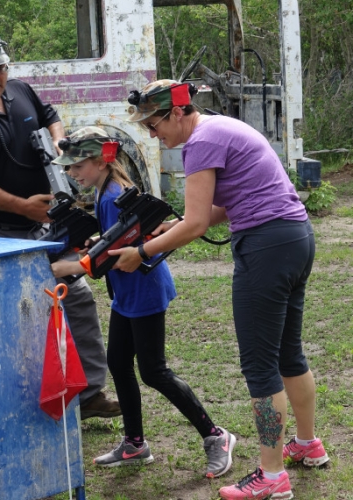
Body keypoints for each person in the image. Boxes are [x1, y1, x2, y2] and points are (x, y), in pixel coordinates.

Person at [114, 79, 328, 499]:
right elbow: (225, 205)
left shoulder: (201, 141)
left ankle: (271, 476)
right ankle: (306, 444)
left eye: (153, 124)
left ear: (177, 112)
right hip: (294, 238)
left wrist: (141, 252)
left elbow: (196, 225)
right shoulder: (222, 127)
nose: (152, 134)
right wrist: (172, 227)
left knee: (260, 365)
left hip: (266, 249)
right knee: (288, 353)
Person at [0, 31, 120, 419]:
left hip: (47, 226)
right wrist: (25, 208)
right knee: (15, 317)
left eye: (0, 68)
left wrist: (58, 142)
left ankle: (89, 395)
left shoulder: (20, 90)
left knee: (79, 300)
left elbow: (50, 116)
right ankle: (20, 403)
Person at [49, 126, 235, 476]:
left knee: (153, 371)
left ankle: (216, 436)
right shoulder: (107, 192)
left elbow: (111, 257)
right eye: (70, 168)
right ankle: (135, 444)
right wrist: (93, 245)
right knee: (118, 362)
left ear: (100, 161)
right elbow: (110, 245)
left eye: (78, 167)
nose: (73, 174)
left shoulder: (112, 194)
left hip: (144, 290)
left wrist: (68, 266)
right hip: (127, 292)